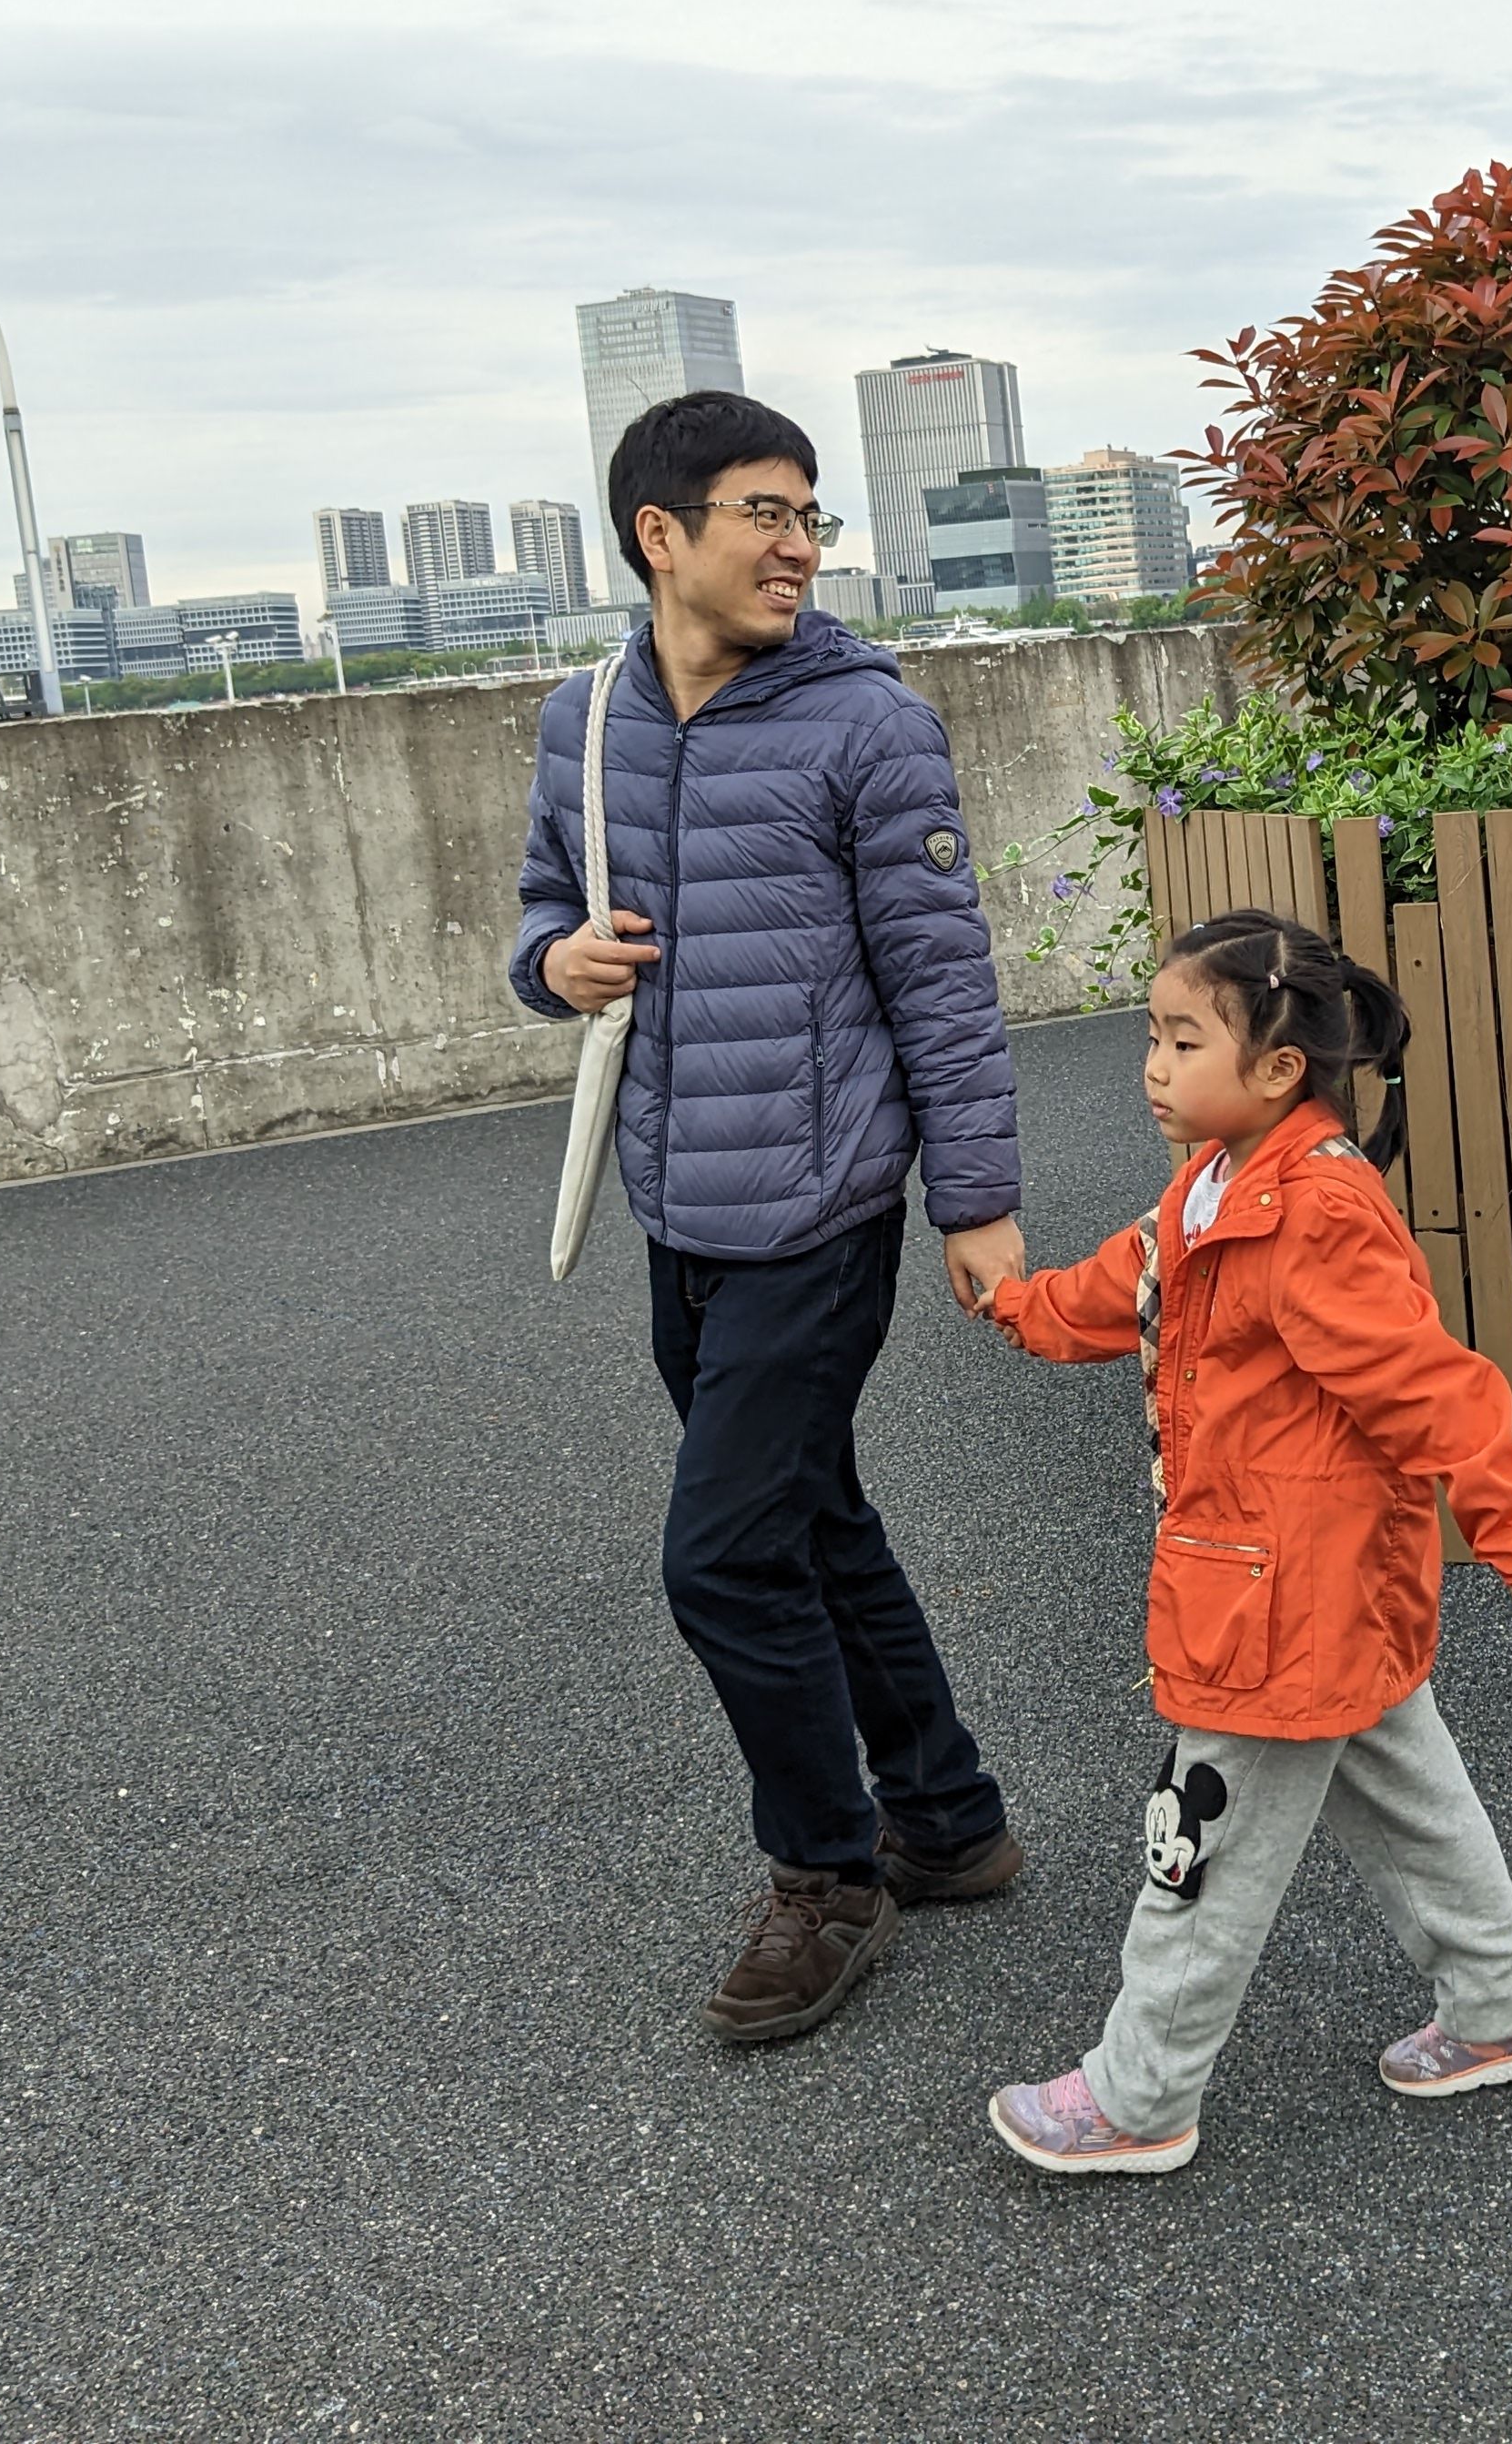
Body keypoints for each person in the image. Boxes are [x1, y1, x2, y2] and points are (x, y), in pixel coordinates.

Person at [510, 389, 1027, 2045]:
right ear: (661, 535)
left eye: (811, 515)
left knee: (725, 1559)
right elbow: (544, 906)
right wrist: (552, 963)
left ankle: (828, 1874)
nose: (800, 545)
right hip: (678, 1198)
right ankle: (946, 1819)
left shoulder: (867, 726)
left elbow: (943, 982)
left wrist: (978, 1202)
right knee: (809, 1518)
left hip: (818, 1202)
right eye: (766, 512)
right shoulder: (586, 717)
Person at [972, 909, 1512, 2173]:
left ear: (1278, 1069)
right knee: (1407, 1792)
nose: (1153, 1065)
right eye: (1152, 1036)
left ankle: (1140, 2097)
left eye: (1182, 1040)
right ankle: (1504, 2007)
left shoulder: (1312, 1210)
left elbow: (1422, 1380)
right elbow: (1133, 1281)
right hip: (1297, 1579)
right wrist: (1021, 1307)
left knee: (1198, 1848)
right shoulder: (1218, 1181)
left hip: (1276, 1598)